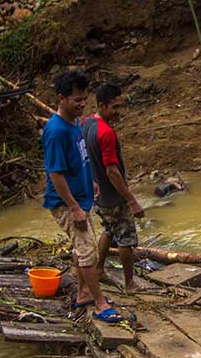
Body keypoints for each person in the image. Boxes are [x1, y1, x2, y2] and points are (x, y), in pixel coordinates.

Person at [41, 70, 120, 323]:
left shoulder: (75, 122)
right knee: (88, 252)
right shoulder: (56, 131)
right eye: (77, 100)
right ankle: (99, 303)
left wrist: (92, 182)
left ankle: (83, 292)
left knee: (81, 247)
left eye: (84, 99)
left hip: (81, 196)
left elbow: (79, 159)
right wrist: (74, 207)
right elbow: (55, 174)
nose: (82, 104)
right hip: (66, 202)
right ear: (61, 98)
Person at [83, 83, 145, 293]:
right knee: (126, 239)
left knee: (108, 230)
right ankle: (130, 284)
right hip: (113, 196)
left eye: (121, 106)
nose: (119, 112)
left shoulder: (87, 123)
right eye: (115, 108)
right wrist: (131, 200)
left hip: (98, 194)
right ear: (102, 105)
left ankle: (99, 269)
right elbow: (112, 171)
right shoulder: (106, 133)